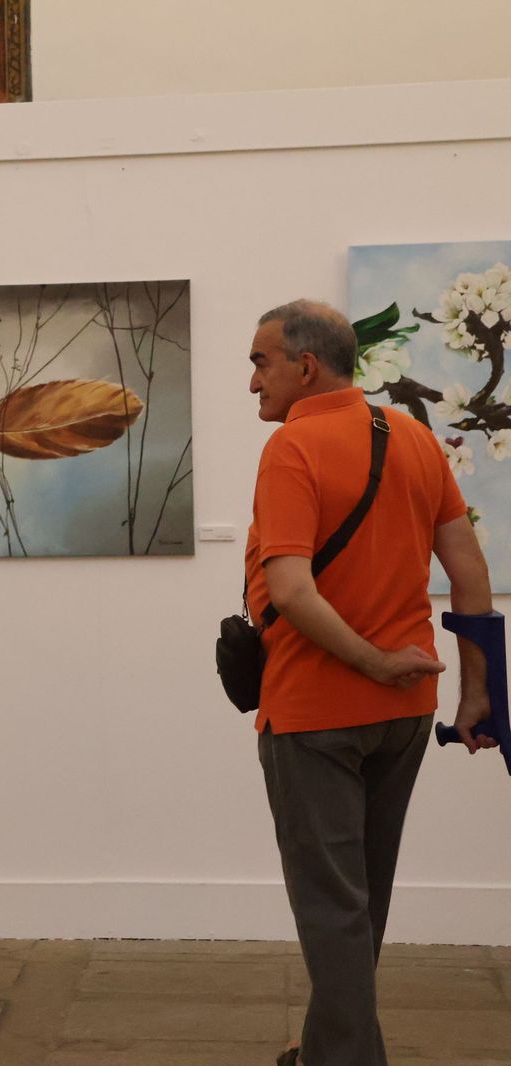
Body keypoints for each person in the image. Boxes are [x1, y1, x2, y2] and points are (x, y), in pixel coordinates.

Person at [244, 301, 494, 1066]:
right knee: (360, 903)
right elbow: (470, 574)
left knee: (332, 909)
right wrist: (480, 693)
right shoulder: (415, 438)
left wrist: (371, 660)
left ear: (306, 366)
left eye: (261, 363)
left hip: (318, 712)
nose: (253, 382)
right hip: (407, 713)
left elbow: (289, 589)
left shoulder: (293, 449)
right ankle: (328, 1047)